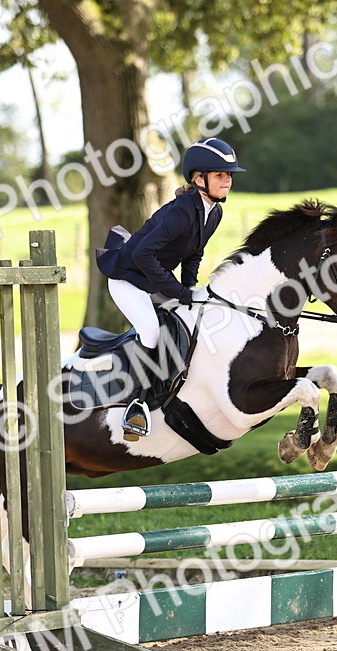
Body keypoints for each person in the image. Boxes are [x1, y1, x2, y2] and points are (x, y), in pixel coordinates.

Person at [94, 137, 245, 440]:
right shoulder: (180, 212)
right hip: (127, 279)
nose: (227, 180)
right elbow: (141, 254)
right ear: (198, 178)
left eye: (229, 175)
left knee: (191, 319)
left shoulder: (213, 212)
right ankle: (135, 402)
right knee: (150, 330)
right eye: (220, 175)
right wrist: (176, 290)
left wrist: (190, 288)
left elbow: (194, 253)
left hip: (154, 279)